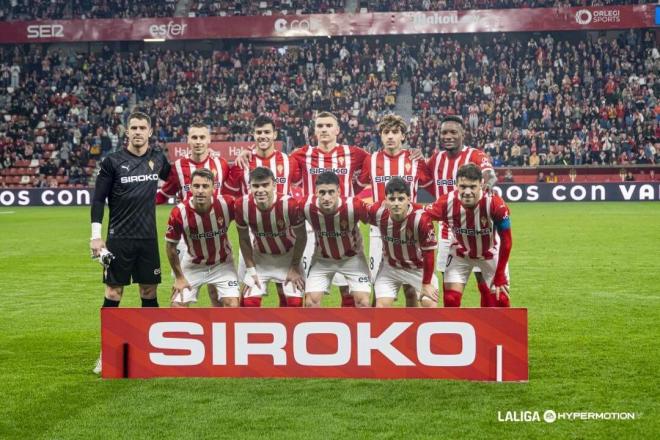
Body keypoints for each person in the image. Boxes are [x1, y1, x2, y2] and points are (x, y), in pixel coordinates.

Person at [89, 111, 171, 374]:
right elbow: (99, 199)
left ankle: (152, 350)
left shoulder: (158, 159)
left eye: (142, 127)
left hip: (148, 240)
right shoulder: (112, 162)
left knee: (149, 293)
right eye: (133, 127)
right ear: (127, 132)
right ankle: (107, 352)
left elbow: (178, 178)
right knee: (114, 293)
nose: (137, 131)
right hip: (118, 240)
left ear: (150, 131)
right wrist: (95, 236)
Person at [225, 115, 302, 307]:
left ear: (274, 134)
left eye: (267, 132)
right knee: (248, 296)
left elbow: (300, 188)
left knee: (286, 291)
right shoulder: (243, 163)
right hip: (253, 238)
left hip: (285, 236)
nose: (263, 136)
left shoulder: (289, 161)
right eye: (259, 132)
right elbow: (229, 195)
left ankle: (287, 333)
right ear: (253, 134)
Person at [156, 121, 230, 306]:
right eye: (194, 137)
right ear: (188, 140)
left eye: (202, 137)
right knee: (182, 291)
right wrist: (137, 202)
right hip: (185, 237)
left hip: (216, 235)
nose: (198, 141)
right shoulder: (178, 167)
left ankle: (218, 332)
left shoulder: (221, 165)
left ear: (209, 139)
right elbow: (164, 194)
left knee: (217, 295)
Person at [356, 114, 433, 292]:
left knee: (411, 289)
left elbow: (433, 189)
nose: (390, 136)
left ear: (403, 136)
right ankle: (377, 319)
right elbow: (355, 188)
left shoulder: (415, 160)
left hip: (410, 230)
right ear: (381, 136)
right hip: (379, 230)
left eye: (395, 132)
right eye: (386, 132)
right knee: (376, 283)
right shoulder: (371, 160)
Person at [426, 115, 498, 303]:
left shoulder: (474, 155)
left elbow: (489, 174)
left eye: (453, 132)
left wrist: (487, 184)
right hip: (447, 232)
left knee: (485, 284)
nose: (447, 136)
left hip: (477, 229)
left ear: (462, 134)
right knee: (450, 290)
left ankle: (487, 325)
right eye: (444, 133)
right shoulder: (436, 159)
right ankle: (452, 328)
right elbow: (420, 176)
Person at [424, 164, 512, 308]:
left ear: (481, 185)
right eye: (463, 186)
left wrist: (500, 274)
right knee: (451, 299)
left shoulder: (495, 204)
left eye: (472, 186)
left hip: (490, 254)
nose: (467, 192)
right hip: (461, 254)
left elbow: (507, 241)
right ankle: (452, 330)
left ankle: (494, 329)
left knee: (500, 299)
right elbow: (422, 215)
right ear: (457, 185)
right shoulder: (446, 202)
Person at [165, 169, 239, 307]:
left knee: (232, 305)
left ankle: (219, 328)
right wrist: (179, 277)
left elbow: (249, 216)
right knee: (177, 305)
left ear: (213, 188)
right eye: (196, 186)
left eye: (205, 186)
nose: (200, 190)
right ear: (190, 187)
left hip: (223, 264)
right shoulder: (179, 212)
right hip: (193, 265)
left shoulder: (227, 204)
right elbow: (170, 247)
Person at [234, 167, 306, 307]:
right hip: (260, 258)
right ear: (250, 187)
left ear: (274, 185)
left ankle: (287, 328)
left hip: (288, 258)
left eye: (265, 185)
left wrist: (295, 267)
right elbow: (243, 238)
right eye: (255, 186)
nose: (260, 190)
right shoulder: (241, 205)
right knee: (249, 303)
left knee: (294, 303)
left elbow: (302, 237)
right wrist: (251, 270)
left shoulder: (289, 204)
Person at [304, 172, 372, 308]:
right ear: (316, 192)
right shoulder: (306, 206)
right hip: (322, 259)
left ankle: (358, 329)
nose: (326, 197)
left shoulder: (354, 206)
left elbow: (378, 219)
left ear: (339, 191)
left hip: (353, 259)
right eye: (322, 192)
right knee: (311, 302)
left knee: (363, 302)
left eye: (331, 192)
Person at [368, 177, 439, 308]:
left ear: (409, 199)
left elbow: (429, 253)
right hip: (391, 268)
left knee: (430, 305)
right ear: (385, 200)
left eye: (401, 199)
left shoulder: (421, 219)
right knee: (381, 307)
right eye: (392, 199)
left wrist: (426, 283)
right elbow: (357, 214)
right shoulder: (377, 212)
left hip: (418, 269)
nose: (396, 203)